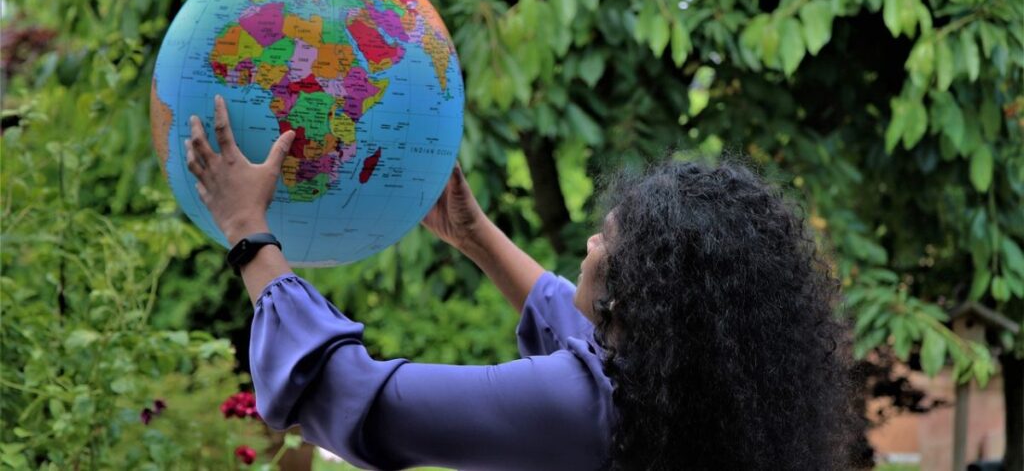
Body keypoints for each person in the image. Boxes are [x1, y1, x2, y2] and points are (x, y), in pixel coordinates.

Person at [185, 96, 853, 470]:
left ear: (634, 295)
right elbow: (574, 320)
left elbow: (352, 401)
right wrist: (475, 234)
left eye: (603, 239)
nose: (588, 245)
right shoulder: (684, 407)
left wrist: (247, 227)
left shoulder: (579, 409)